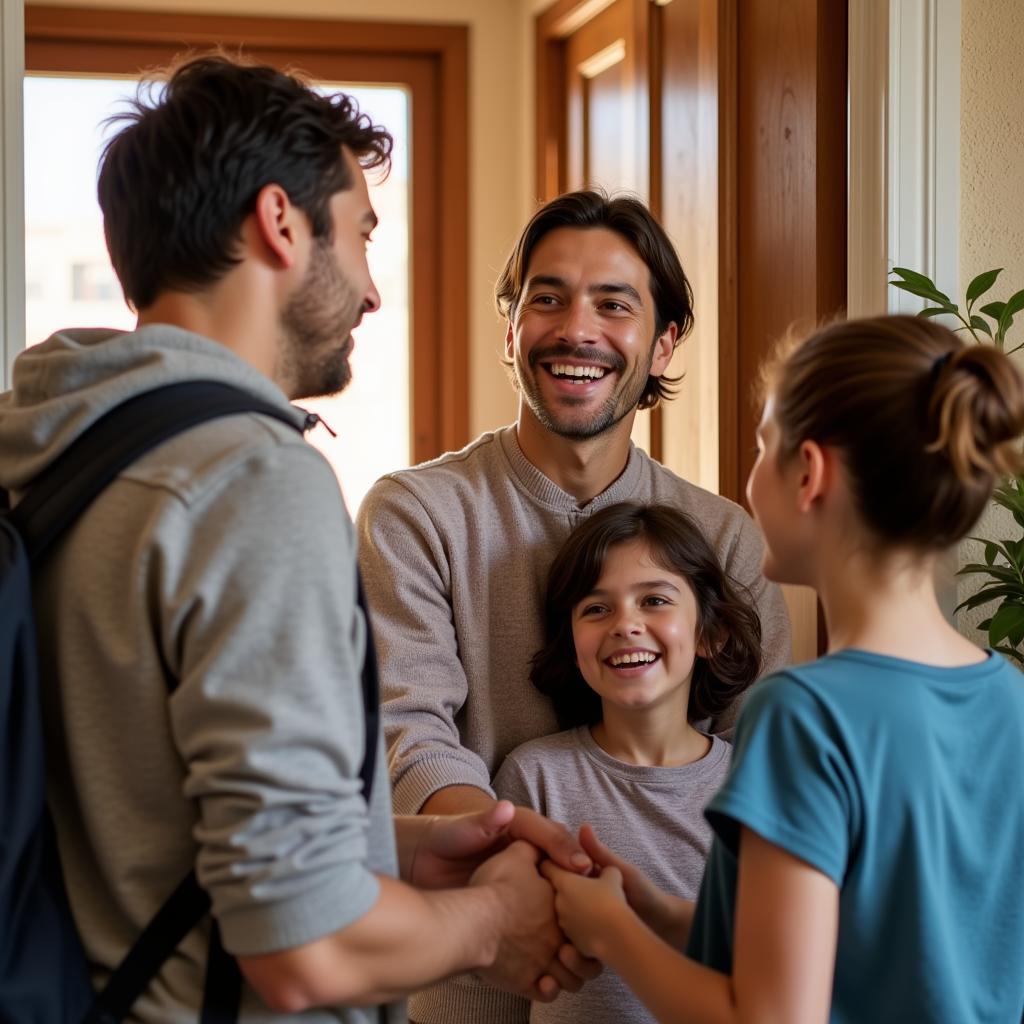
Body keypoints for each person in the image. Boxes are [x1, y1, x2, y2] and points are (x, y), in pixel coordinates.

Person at [0, 54, 592, 1022]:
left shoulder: (50, 445)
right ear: (280, 223)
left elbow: (125, 796)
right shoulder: (247, 479)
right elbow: (303, 946)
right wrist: (493, 919)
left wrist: (374, 841)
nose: (372, 291)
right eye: (361, 234)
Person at [356, 189, 791, 1022]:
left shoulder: (728, 538)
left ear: (663, 343)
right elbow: (405, 734)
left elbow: (756, 771)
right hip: (467, 978)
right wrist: (528, 869)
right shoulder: (413, 514)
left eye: (613, 305)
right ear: (509, 331)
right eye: (546, 299)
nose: (575, 330)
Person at [540, 315, 1024, 1023]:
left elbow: (766, 1017)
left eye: (763, 446)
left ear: (810, 474)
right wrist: (660, 914)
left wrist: (610, 931)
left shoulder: (804, 713)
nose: (749, 477)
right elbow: (867, 949)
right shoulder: (1009, 699)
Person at [484, 501, 761, 1024]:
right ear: (570, 643)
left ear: (710, 633)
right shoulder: (535, 777)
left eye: (654, 600)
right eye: (596, 608)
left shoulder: (752, 786)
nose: (625, 625)